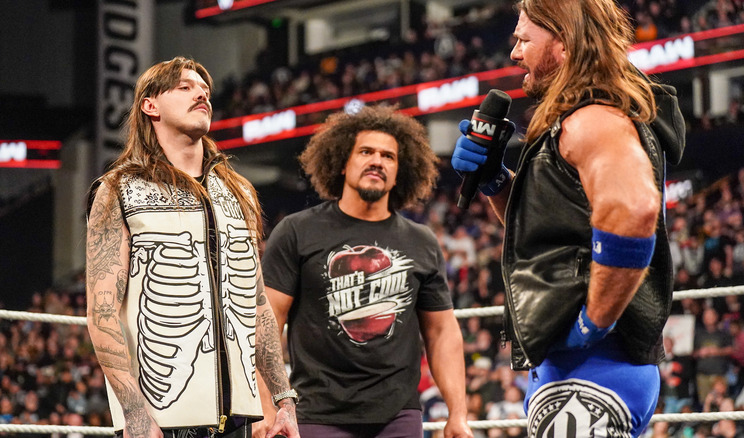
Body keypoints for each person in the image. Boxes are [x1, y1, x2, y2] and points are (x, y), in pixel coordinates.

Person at [450, 0, 685, 436]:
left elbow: (635, 211)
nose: (514, 53)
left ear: (562, 43)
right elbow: (549, 231)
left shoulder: (593, 118)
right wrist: (496, 180)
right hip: (582, 370)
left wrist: (594, 320)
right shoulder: (579, 118)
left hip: (594, 371)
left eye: (523, 39)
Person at [85, 57, 298, 438]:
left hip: (237, 418)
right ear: (150, 106)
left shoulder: (240, 192)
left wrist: (283, 401)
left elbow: (257, 305)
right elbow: (102, 312)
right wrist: (134, 414)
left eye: (204, 89)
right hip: (159, 420)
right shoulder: (118, 190)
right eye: (184, 87)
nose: (201, 93)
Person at [259, 105, 472, 437]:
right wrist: (267, 405)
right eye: (366, 152)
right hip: (317, 414)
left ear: (400, 171)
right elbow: (266, 324)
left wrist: (458, 412)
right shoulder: (297, 232)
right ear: (343, 163)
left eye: (388, 156)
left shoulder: (421, 241)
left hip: (398, 416)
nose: (377, 160)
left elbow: (442, 332)